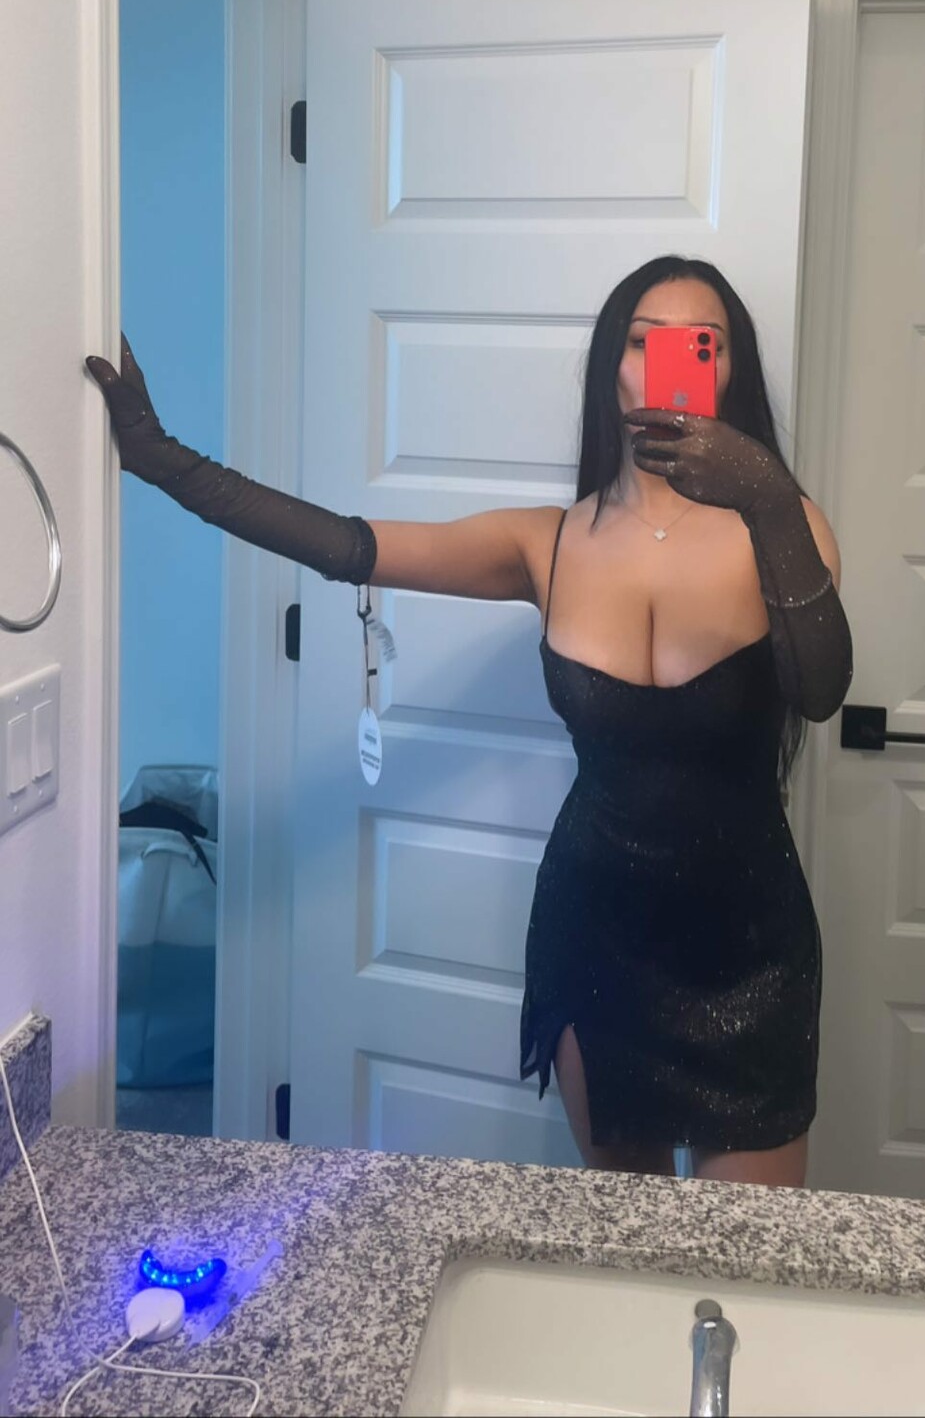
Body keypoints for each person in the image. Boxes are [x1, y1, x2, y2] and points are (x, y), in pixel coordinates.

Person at [86, 253, 853, 1187]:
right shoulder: (547, 543)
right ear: (609, 369)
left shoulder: (787, 525)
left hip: (750, 951)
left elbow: (821, 690)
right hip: (596, 934)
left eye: (700, 344)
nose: (665, 367)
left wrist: (765, 493)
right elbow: (349, 545)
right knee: (628, 1240)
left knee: (749, 1254)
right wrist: (161, 460)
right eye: (641, 342)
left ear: (731, 371)